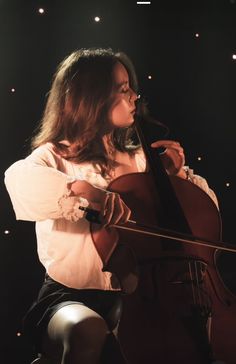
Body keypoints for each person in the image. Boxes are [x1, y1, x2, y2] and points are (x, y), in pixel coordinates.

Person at [4, 48, 218, 364]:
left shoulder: (142, 160)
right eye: (123, 89)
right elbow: (18, 180)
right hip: (70, 296)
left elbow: (207, 213)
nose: (134, 95)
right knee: (86, 329)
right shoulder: (54, 157)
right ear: (93, 97)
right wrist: (85, 190)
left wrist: (175, 180)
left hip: (143, 297)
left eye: (130, 87)